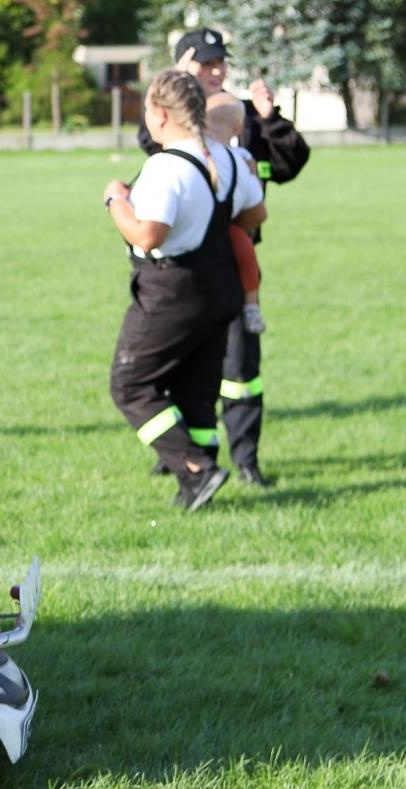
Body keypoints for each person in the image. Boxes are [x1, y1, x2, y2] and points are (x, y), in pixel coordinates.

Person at [139, 28, 311, 487]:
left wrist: (270, 119)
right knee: (177, 363)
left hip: (234, 259)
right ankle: (182, 455)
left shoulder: (243, 114)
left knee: (239, 370)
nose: (215, 72)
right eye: (205, 64)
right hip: (178, 267)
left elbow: (291, 161)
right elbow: (149, 138)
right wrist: (179, 85)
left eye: (220, 64)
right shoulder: (173, 117)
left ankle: (246, 460)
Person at [103, 69, 267, 512]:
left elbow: (147, 236)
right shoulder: (229, 156)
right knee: (197, 392)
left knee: (130, 385)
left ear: (159, 113)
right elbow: (255, 214)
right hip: (221, 286)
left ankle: (195, 469)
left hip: (171, 288)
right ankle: (197, 481)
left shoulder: (165, 166)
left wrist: (114, 199)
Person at [206, 92, 266, 334]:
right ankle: (251, 305)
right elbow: (258, 199)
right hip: (223, 222)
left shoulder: (242, 157)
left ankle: (250, 306)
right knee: (246, 254)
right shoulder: (237, 157)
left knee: (243, 248)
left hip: (227, 223)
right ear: (239, 128)